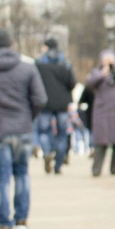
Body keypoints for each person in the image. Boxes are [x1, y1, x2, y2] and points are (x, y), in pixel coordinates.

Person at [0, 28, 47, 229]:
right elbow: (40, 99)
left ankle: (4, 225)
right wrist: (28, 116)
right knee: (22, 173)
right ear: (11, 44)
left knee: (1, 177)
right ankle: (21, 220)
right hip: (23, 128)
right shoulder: (27, 68)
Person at [35, 38, 76, 174]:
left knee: (43, 131)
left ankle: (47, 152)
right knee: (62, 135)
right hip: (62, 104)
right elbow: (72, 83)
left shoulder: (39, 63)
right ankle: (58, 165)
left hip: (45, 103)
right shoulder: (65, 63)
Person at [85, 50, 115, 176]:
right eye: (105, 60)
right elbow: (89, 84)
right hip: (102, 111)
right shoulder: (97, 72)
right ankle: (96, 169)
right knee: (100, 141)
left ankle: (114, 168)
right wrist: (102, 74)